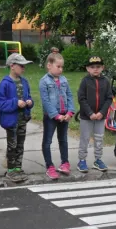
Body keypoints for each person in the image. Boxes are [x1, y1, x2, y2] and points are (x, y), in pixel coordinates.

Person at [0, 53, 33, 183]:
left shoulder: (24, 81)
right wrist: (15, 103)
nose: (23, 69)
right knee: (12, 145)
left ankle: (18, 167)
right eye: (21, 66)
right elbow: (0, 103)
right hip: (11, 121)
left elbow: (29, 97)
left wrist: (29, 102)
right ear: (12, 66)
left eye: (24, 66)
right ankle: (11, 170)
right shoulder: (4, 83)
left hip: (23, 119)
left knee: (20, 144)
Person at [39, 48, 75, 180]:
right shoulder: (44, 81)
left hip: (64, 114)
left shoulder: (64, 80)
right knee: (47, 141)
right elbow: (46, 101)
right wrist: (56, 115)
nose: (61, 69)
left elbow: (70, 95)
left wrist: (70, 112)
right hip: (51, 117)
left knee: (63, 139)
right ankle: (50, 166)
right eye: (58, 66)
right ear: (49, 65)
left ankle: (65, 163)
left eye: (62, 67)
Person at [77, 56, 113, 173]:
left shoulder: (106, 81)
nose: (95, 69)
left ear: (102, 68)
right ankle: (82, 160)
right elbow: (81, 98)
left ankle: (98, 159)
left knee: (99, 138)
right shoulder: (85, 81)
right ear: (88, 69)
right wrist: (90, 113)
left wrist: (102, 112)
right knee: (85, 138)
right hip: (87, 117)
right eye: (92, 67)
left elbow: (109, 98)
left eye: (98, 67)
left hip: (100, 117)